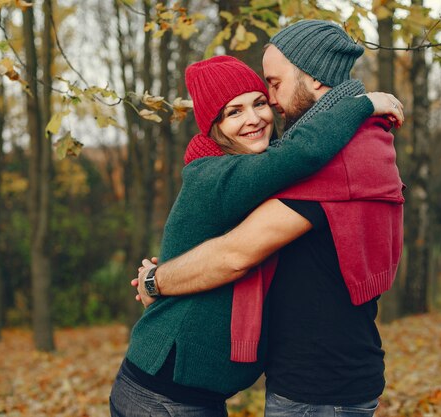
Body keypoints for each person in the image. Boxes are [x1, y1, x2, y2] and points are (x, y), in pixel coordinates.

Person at [134, 20, 405, 417]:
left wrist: (157, 281)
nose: (270, 104)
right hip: (293, 382)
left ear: (312, 78)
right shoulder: (226, 170)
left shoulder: (341, 155)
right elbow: (292, 158)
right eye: (234, 111)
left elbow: (235, 254)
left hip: (319, 389)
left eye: (270, 88)